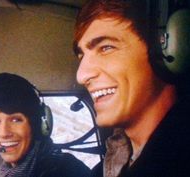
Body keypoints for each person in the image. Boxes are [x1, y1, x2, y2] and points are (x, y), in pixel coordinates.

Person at [73, 0, 190, 177]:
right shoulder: (108, 166)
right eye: (82, 55)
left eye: (106, 48)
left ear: (165, 50)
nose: (82, 76)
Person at [0, 72, 91, 177]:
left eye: (16, 120)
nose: (4, 132)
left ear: (36, 125)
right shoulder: (9, 171)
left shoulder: (67, 171)